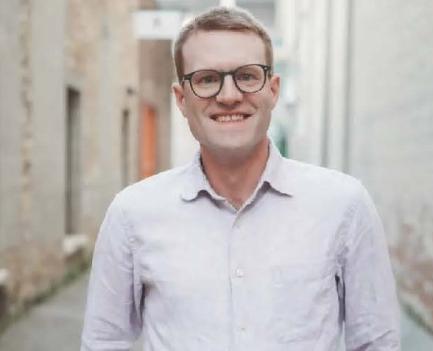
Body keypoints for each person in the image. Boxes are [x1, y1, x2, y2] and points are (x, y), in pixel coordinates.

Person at [81, 6, 400, 351]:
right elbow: (103, 343)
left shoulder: (344, 206)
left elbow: (376, 343)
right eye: (206, 79)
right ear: (181, 99)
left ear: (273, 90)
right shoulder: (132, 213)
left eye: (247, 76)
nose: (229, 95)